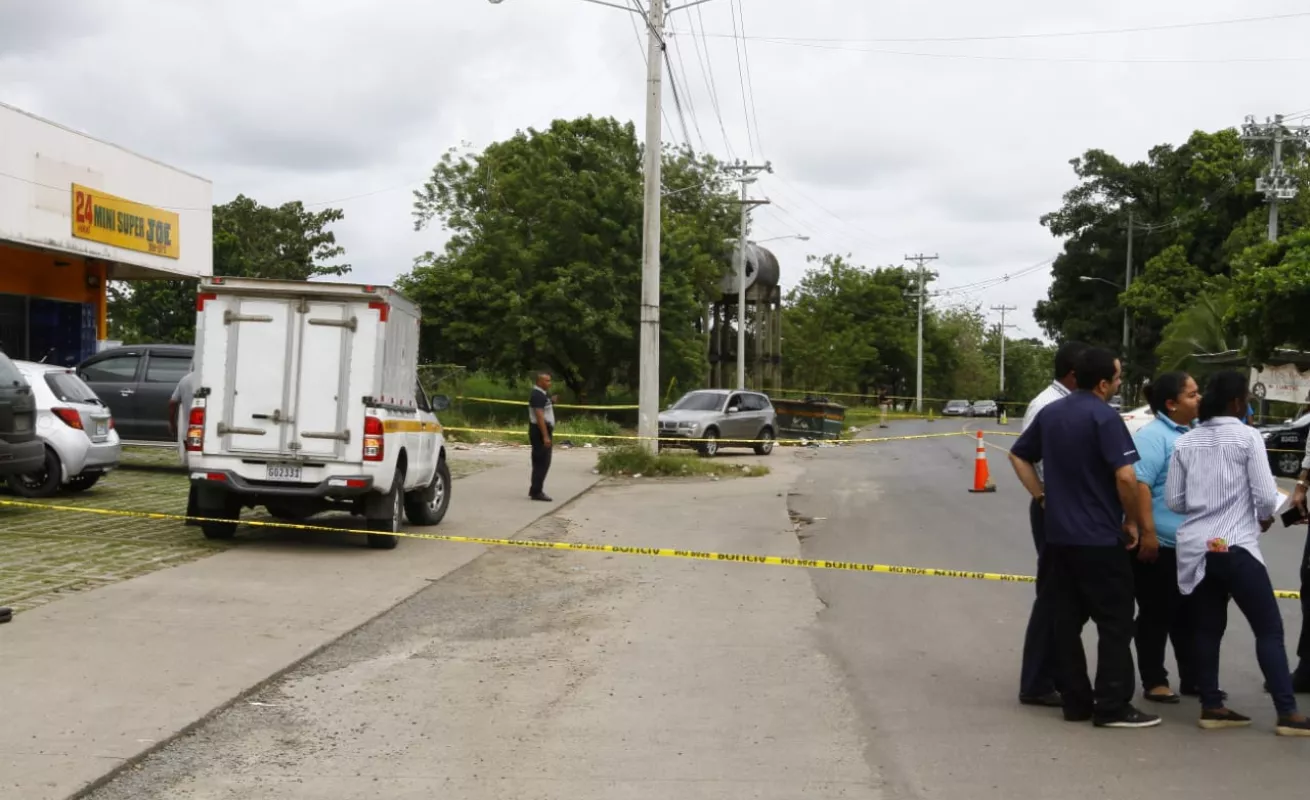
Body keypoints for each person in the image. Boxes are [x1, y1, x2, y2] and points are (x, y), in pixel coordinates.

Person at [1009, 346, 1159, 728]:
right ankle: (1111, 705)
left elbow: (1018, 456)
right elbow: (1126, 476)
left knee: (1066, 622)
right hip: (1099, 539)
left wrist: (1042, 496)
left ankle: (1075, 702)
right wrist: (1132, 521)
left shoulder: (1051, 413)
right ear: (1103, 383)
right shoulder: (1104, 417)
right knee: (1115, 622)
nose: (1119, 384)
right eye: (1118, 378)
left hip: (1059, 537)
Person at [1166, 371, 1310, 735]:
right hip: (1234, 544)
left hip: (1199, 548)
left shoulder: (1186, 441)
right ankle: (1288, 713)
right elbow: (1264, 496)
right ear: (1236, 402)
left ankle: (1212, 706)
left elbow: (1175, 501)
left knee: (1207, 628)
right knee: (1268, 629)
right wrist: (1262, 517)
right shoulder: (1248, 437)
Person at [1015, 339, 1088, 708]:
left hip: (1067, 509)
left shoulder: (1067, 403)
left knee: (1064, 595)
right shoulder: (1047, 405)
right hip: (1055, 508)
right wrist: (1044, 497)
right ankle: (1037, 682)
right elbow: (1024, 457)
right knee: (1053, 595)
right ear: (1075, 374)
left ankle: (1057, 674)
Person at [1130, 372, 1202, 705]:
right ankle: (1154, 679)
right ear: (1171, 404)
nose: (1199, 399)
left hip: (1192, 545)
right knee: (1156, 613)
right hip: (1161, 544)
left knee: (1189, 615)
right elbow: (1140, 485)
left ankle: (1193, 676)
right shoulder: (1153, 436)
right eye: (1192, 394)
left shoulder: (1194, 433)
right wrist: (1148, 534)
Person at [169, 365, 199, 526]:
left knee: (194, 470)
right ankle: (197, 514)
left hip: (189, 433)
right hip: (205, 434)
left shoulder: (185, 379)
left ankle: (192, 514)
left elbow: (172, 402)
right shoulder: (209, 378)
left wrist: (172, 423)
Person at [527, 370, 555, 502]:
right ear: (539, 382)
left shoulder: (542, 394)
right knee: (542, 462)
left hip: (542, 430)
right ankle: (536, 491)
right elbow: (539, 416)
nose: (549, 383)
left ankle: (535, 489)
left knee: (542, 461)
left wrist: (551, 401)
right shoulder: (537, 395)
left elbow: (544, 408)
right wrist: (545, 436)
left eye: (550, 380)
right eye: (547, 381)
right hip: (540, 431)